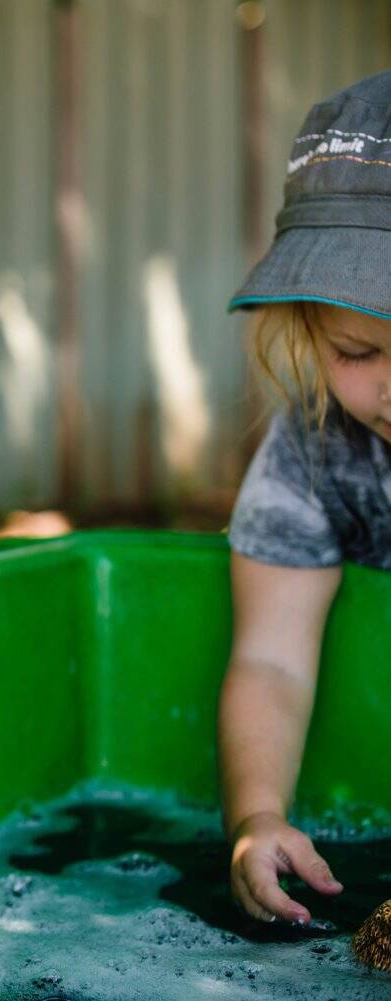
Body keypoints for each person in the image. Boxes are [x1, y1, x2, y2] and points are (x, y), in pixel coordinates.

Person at [219, 71, 391, 925]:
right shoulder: (312, 447)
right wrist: (258, 817)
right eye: (360, 350)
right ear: (308, 331)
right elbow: (272, 660)